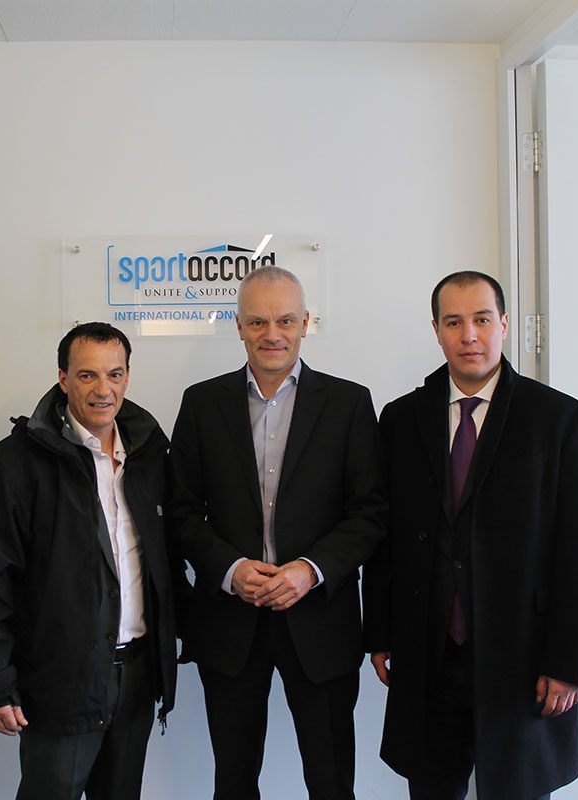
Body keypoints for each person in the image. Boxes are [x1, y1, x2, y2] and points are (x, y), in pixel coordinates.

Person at [363, 271, 578, 800]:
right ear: (436, 330)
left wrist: (568, 663)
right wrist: (379, 632)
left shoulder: (559, 419)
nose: (469, 335)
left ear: (504, 324)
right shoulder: (401, 419)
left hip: (524, 658)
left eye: (481, 319)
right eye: (454, 322)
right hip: (428, 657)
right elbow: (385, 536)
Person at [169, 265, 385, 800]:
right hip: (230, 624)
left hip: (320, 622)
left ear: (305, 323)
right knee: (233, 782)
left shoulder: (349, 404)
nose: (272, 334)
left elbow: (370, 513)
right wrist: (229, 569)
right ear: (238, 326)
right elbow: (179, 511)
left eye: (285, 320)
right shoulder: (202, 403)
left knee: (331, 784)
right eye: (258, 322)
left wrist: (310, 571)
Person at [0, 322, 180, 800]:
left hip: (137, 675)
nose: (103, 389)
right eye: (87, 375)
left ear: (128, 377)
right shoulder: (15, 463)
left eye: (114, 374)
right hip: (60, 679)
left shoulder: (150, 455)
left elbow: (168, 558)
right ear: (63, 379)